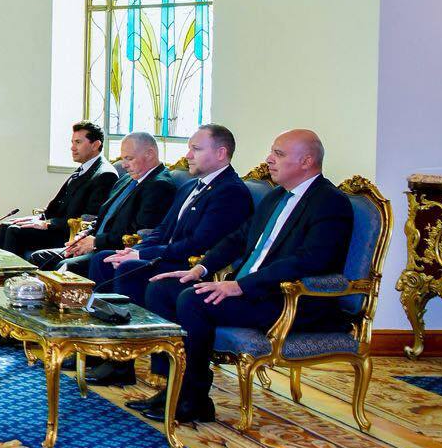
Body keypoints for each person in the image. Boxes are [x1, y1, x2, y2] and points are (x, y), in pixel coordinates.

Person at [132, 129, 355, 424]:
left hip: (287, 300)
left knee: (193, 302)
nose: (269, 159)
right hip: (252, 291)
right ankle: (173, 385)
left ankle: (194, 398)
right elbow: (238, 238)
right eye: (272, 152)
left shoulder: (330, 202)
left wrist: (240, 286)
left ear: (306, 161)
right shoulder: (277, 196)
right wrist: (201, 269)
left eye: (278, 154)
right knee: (163, 288)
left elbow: (310, 261)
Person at [84, 124, 254, 386]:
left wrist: (142, 257)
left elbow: (199, 243)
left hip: (187, 265)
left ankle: (128, 363)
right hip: (166, 256)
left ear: (221, 153)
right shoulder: (191, 186)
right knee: (104, 259)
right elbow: (162, 230)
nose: (188, 155)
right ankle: (104, 350)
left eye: (196, 149)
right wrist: (136, 250)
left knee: (127, 270)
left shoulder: (230, 191)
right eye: (189, 148)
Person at [27, 131, 178, 274]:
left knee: (65, 267)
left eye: (129, 158)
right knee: (39, 258)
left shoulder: (159, 186)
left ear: (150, 154)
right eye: (123, 158)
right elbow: (105, 215)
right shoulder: (127, 178)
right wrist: (86, 234)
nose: (123, 165)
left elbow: (139, 232)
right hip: (96, 242)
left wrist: (95, 242)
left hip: (113, 251)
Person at [0, 122, 119, 256]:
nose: (72, 148)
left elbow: (88, 218)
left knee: (14, 231)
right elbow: (60, 203)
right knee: (5, 226)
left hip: (67, 233)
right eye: (72, 142)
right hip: (56, 225)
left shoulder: (105, 174)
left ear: (95, 145)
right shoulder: (85, 168)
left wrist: (48, 224)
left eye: (78, 142)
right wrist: (41, 217)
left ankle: (13, 270)